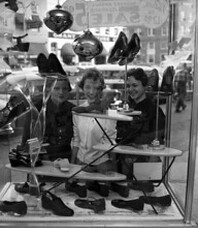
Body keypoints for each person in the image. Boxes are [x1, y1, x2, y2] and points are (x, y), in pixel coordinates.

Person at [69, 68, 118, 197]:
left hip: (102, 162)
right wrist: (73, 166)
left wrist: (110, 167)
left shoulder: (108, 113)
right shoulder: (78, 111)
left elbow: (110, 141)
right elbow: (76, 140)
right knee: (79, 195)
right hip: (81, 160)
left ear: (101, 89)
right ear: (82, 88)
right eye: (88, 87)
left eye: (97, 88)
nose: (92, 92)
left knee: (104, 196)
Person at [116, 68, 166, 179]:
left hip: (146, 161)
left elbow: (160, 137)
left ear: (144, 86)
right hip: (127, 159)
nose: (130, 89)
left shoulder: (154, 110)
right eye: (128, 86)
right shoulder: (128, 108)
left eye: (134, 85)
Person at [20, 77, 75, 161]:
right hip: (42, 160)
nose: (61, 92)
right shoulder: (36, 109)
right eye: (56, 88)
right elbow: (27, 141)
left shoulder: (73, 110)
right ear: (49, 89)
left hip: (67, 160)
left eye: (65, 88)